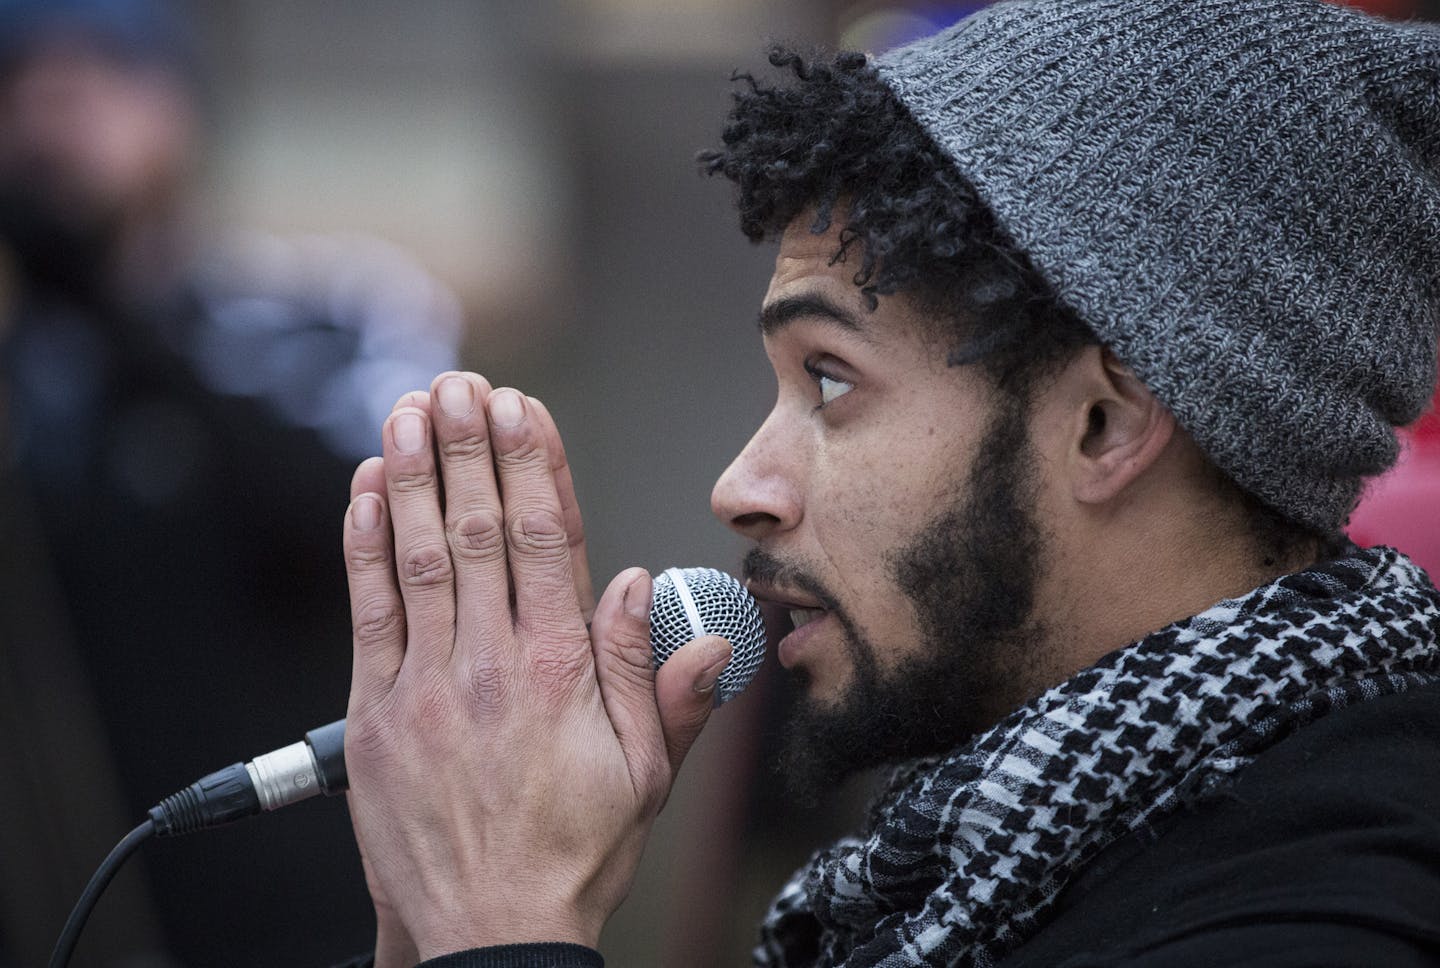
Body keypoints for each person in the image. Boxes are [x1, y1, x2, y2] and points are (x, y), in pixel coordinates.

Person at [333, 1, 1440, 965]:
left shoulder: (1321, 918)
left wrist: (505, 927)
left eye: (830, 379)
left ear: (1105, 424)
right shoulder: (985, 869)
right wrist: (432, 929)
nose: (742, 486)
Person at [0, 0, 458, 963]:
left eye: (96, 82)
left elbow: (361, 525)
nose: (51, 120)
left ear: (181, 107)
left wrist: (117, 313)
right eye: (22, 89)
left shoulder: (325, 311)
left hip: (295, 894)